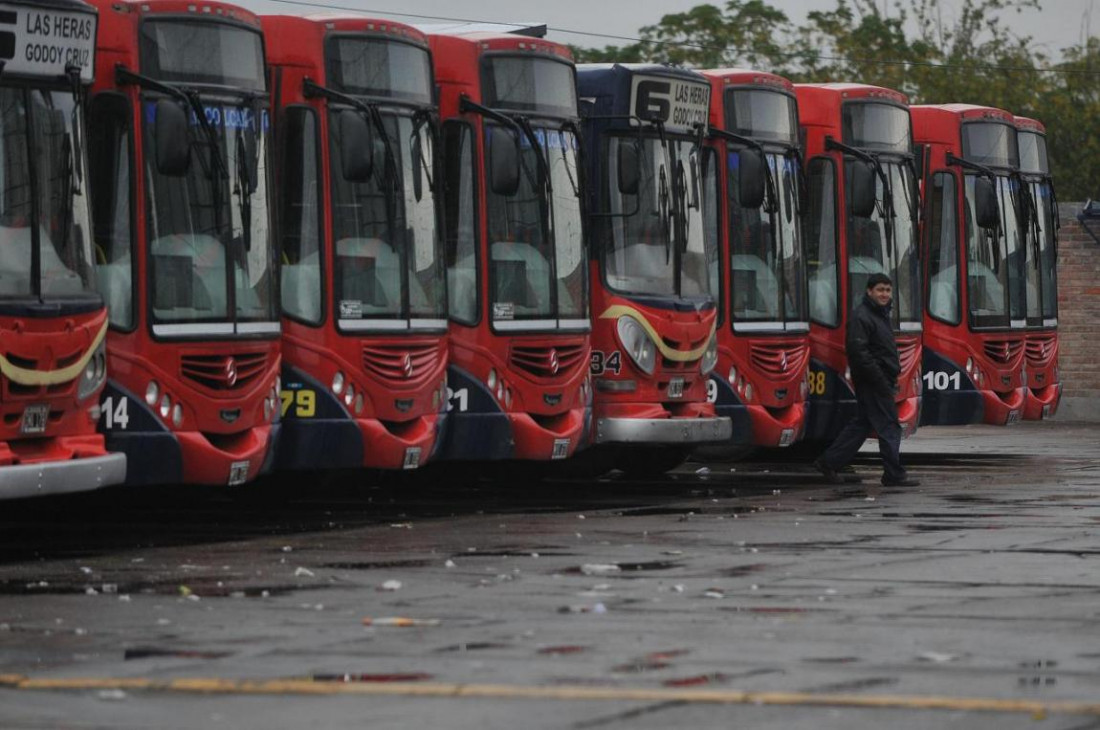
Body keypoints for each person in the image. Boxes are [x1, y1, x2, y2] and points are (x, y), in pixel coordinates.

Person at [815, 273, 920, 487]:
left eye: (888, 290)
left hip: (879, 380)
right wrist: (880, 379)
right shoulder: (862, 316)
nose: (884, 294)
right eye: (880, 290)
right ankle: (893, 474)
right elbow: (858, 352)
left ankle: (829, 462)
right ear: (869, 291)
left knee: (862, 425)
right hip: (873, 382)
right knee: (890, 426)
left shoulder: (880, 315)